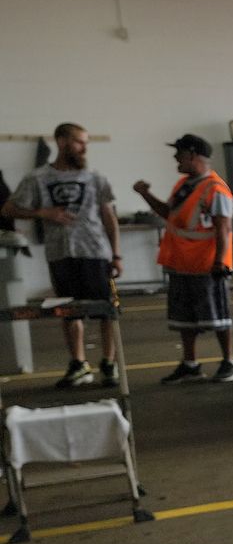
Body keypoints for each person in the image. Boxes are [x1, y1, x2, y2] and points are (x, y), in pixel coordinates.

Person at [0, 122, 122, 387]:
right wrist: (42, 213)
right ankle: (78, 363)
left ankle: (109, 363)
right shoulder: (38, 178)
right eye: (79, 142)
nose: (84, 147)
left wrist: (117, 255)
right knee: (68, 310)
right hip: (60, 254)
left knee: (104, 311)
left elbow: (109, 218)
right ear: (62, 141)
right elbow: (9, 209)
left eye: (86, 142)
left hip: (94, 252)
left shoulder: (95, 179)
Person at [133, 134, 233, 383]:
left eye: (179, 154)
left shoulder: (216, 189)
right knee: (184, 318)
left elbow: (223, 227)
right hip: (181, 262)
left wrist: (220, 262)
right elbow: (169, 214)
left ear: (192, 155)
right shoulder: (184, 185)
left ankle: (229, 361)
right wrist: (145, 195)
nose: (175, 159)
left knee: (218, 315)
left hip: (206, 264)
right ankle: (190, 364)